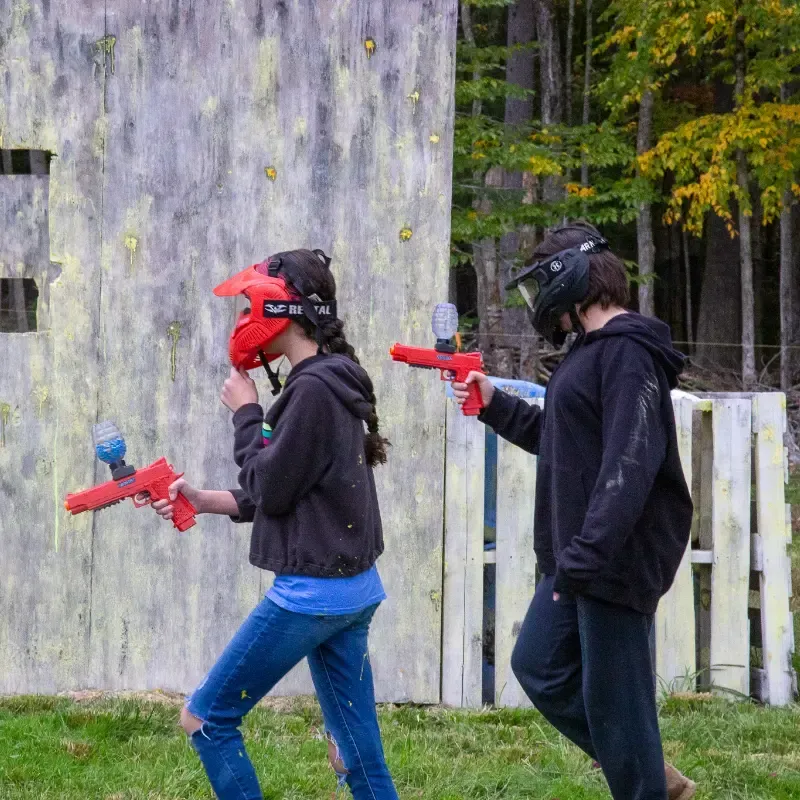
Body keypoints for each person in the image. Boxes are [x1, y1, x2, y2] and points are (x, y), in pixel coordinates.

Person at [453, 222, 696, 800]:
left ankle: (643, 782)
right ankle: (649, 776)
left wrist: (584, 560)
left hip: (612, 560)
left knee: (616, 700)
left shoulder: (630, 353)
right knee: (538, 664)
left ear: (574, 277)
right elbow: (565, 438)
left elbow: (629, 464)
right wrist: (494, 405)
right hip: (579, 559)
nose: (540, 303)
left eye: (544, 284)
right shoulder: (589, 352)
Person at [147, 249, 399, 799]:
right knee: (358, 754)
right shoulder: (330, 381)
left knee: (207, 720)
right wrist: (204, 498)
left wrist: (246, 413)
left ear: (281, 307)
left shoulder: (310, 390)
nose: (242, 320)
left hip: (312, 595)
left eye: (249, 303)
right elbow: (290, 487)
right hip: (353, 591)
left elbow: (268, 483)